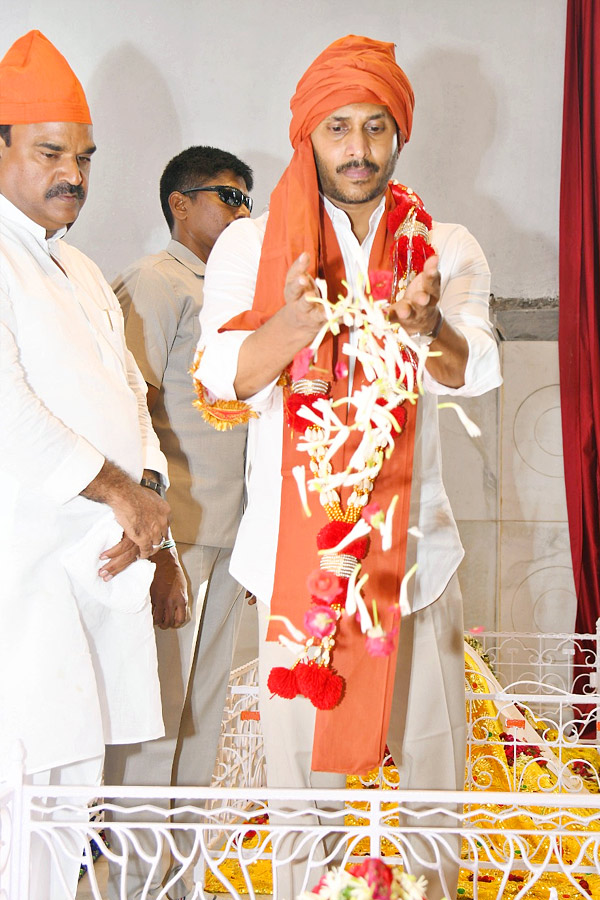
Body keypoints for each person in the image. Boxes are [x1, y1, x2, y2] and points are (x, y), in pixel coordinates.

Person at [196, 35, 502, 900]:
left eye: (375, 127)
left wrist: (426, 326)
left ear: (399, 134)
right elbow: (224, 378)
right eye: (338, 128)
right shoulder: (249, 246)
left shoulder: (444, 243)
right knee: (303, 809)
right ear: (307, 136)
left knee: (436, 798)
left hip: (417, 568)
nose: (358, 149)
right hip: (296, 574)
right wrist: (290, 327)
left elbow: (473, 368)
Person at [0, 30, 177, 900]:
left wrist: (154, 519)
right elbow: (8, 413)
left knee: (71, 801)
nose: (73, 171)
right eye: (48, 151)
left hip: (98, 576)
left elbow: (132, 404)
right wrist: (117, 494)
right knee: (18, 798)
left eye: (84, 155)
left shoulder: (75, 264)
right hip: (22, 588)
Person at [106, 146, 253, 900]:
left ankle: (181, 882)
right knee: (155, 718)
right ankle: (127, 880)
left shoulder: (237, 296)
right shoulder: (155, 283)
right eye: (227, 197)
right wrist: (157, 548)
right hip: (177, 538)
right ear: (179, 204)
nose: (241, 213)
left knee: (204, 719)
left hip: (231, 543)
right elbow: (130, 418)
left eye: (246, 201)